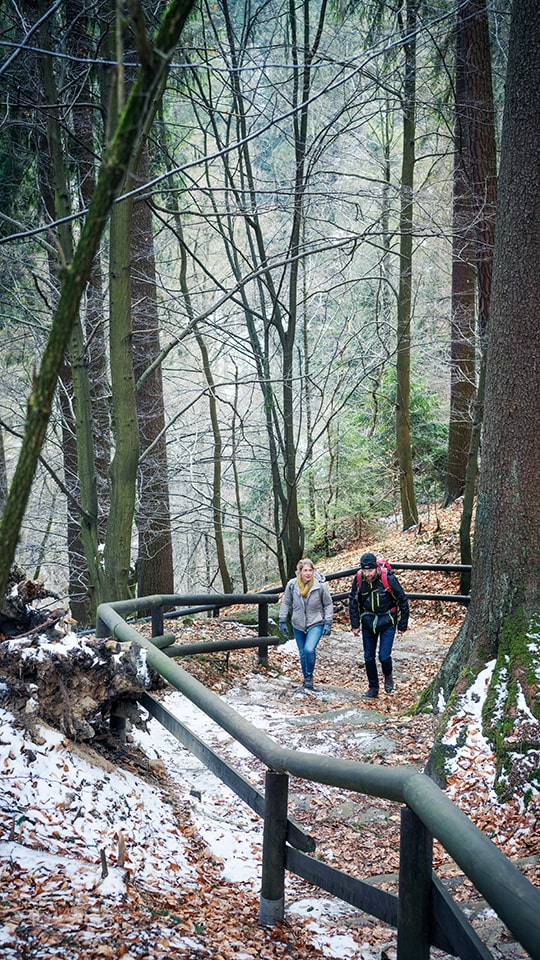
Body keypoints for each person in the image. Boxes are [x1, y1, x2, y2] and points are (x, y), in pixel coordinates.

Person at [349, 552, 409, 699]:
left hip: (387, 621)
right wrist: (355, 624)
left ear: (376, 568)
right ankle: (373, 687)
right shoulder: (358, 580)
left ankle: (388, 675)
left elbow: (402, 600)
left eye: (370, 570)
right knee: (368, 657)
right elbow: (353, 601)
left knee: (384, 656)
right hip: (368, 621)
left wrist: (402, 625)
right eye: (365, 570)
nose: (367, 574)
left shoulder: (388, 579)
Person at [279, 558, 333, 691]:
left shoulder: (320, 586)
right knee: (302, 652)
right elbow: (286, 602)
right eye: (305, 570)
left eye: (310, 570)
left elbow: (328, 604)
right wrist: (282, 619)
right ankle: (306, 679)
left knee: (309, 649)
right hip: (298, 623)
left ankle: (309, 674)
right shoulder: (292, 585)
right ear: (300, 572)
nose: (308, 573)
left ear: (313, 571)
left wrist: (328, 622)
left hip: (316, 622)